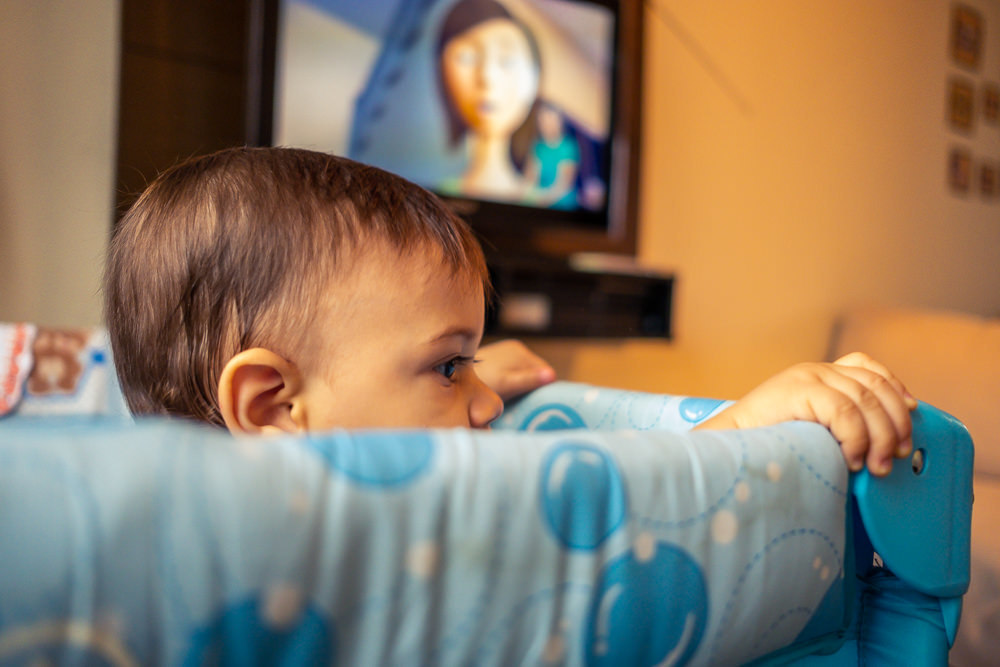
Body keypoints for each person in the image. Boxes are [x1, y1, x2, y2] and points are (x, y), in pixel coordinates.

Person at [105, 146, 915, 477]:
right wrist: (746, 427)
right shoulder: (362, 550)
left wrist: (454, 365)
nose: (487, 401)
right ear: (274, 404)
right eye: (449, 365)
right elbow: (593, 534)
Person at [435, 0, 541, 201]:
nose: (487, 76)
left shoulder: (544, 202)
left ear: (534, 81)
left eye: (507, 61)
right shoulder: (434, 198)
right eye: (467, 57)